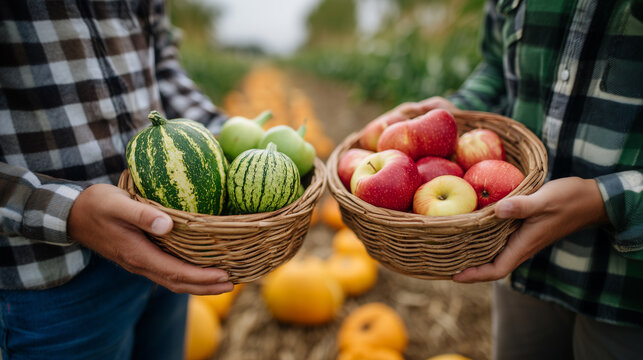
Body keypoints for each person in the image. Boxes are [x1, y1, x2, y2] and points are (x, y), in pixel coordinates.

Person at [368, 0, 642, 359]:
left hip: (625, 288)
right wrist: (455, 113)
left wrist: (605, 201)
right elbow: (499, 66)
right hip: (514, 247)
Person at [0, 1, 233, 359]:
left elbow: (162, 65)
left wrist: (238, 140)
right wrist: (67, 209)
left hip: (173, 239)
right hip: (54, 279)